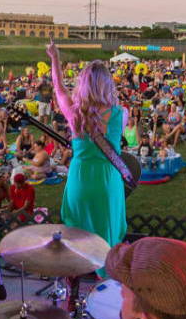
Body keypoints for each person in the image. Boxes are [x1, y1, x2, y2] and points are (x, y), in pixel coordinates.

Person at [48, 40, 128, 261]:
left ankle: (74, 287)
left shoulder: (74, 114)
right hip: (106, 181)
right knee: (106, 241)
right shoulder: (120, 114)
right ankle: (104, 281)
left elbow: (59, 87)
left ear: (82, 83)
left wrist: (55, 58)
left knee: (77, 241)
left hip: (80, 179)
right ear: (107, 84)